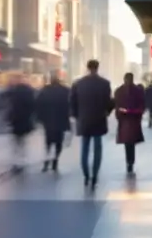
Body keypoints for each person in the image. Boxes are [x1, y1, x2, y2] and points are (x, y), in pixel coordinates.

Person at [70, 59, 114, 188]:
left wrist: (76, 116)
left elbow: (72, 102)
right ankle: (95, 175)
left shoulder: (78, 84)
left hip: (84, 120)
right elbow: (109, 102)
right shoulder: (105, 84)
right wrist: (107, 112)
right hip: (99, 119)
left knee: (85, 148)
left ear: (87, 68)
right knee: (97, 148)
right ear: (97, 68)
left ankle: (86, 175)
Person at [35, 71, 71, 172]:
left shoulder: (44, 90)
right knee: (59, 142)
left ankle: (46, 162)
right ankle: (55, 160)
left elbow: (38, 104)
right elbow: (69, 105)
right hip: (61, 121)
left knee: (48, 142)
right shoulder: (65, 90)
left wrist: (40, 119)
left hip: (48, 121)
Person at [4, 73, 36, 174]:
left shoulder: (13, 90)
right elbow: (32, 105)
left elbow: (7, 102)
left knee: (17, 141)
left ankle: (18, 161)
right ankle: (21, 159)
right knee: (21, 140)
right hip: (24, 119)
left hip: (16, 119)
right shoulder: (28, 90)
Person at [114, 73, 146, 175]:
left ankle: (129, 162)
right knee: (130, 143)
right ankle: (130, 162)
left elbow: (117, 105)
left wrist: (119, 115)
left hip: (125, 120)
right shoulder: (138, 91)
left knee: (128, 143)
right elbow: (142, 105)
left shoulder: (119, 91)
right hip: (133, 119)